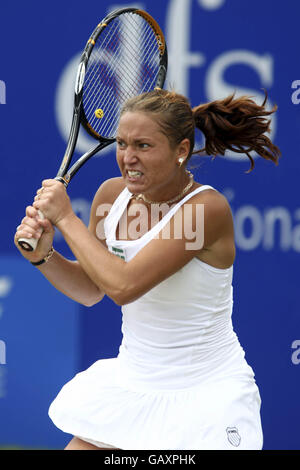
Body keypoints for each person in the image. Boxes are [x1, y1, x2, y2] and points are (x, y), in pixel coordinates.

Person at [14, 89, 280, 450]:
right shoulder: (111, 196)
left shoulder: (206, 210)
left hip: (206, 397)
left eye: (143, 145)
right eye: (122, 143)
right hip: (132, 386)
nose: (128, 157)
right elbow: (94, 290)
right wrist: (44, 256)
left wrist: (64, 217)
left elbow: (125, 287)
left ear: (181, 151)